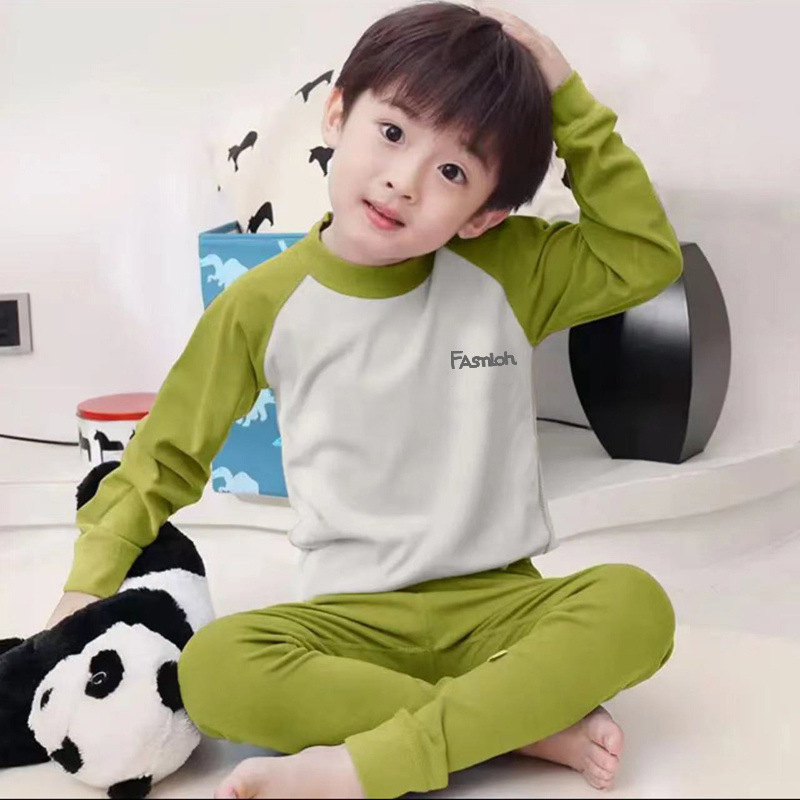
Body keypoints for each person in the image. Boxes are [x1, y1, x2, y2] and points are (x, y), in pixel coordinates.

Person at [47, 2, 681, 797]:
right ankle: (519, 725)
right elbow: (164, 454)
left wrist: (566, 95)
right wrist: (88, 581)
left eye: (453, 173)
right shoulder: (261, 302)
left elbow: (643, 256)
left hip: (500, 608)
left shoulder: (510, 271)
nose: (403, 181)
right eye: (391, 132)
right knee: (214, 672)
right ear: (337, 113)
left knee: (636, 605)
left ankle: (379, 761)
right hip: (348, 621)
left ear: (484, 215)